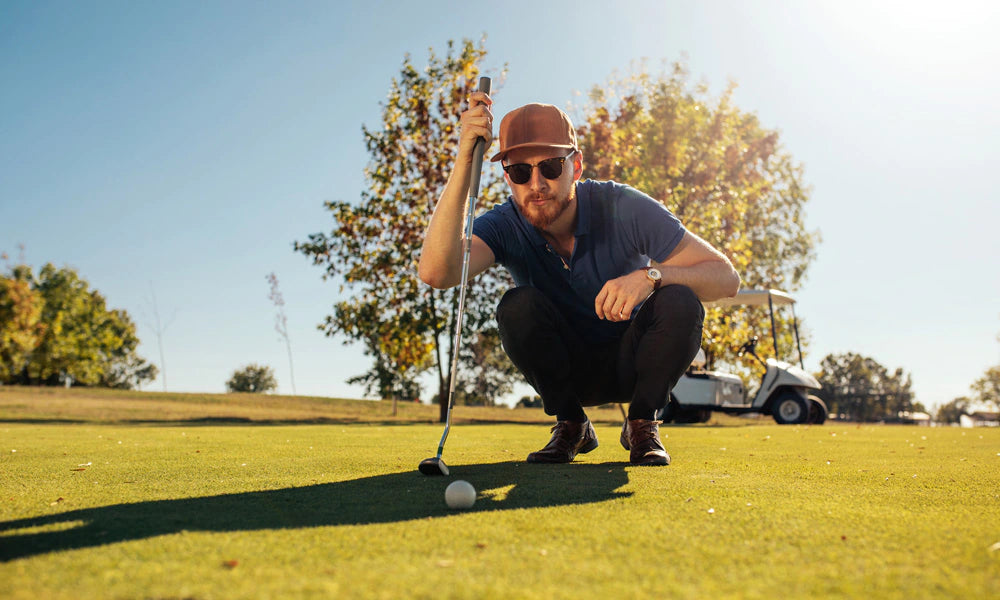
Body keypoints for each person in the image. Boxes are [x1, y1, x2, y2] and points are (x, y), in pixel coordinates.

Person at [419, 92, 740, 466]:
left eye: (551, 166)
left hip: (635, 365)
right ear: (507, 176)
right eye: (520, 171)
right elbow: (437, 272)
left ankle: (642, 424)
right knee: (516, 306)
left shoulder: (623, 205)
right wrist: (463, 160)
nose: (536, 184)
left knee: (679, 298)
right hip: (567, 372)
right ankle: (571, 424)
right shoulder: (506, 223)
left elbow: (726, 278)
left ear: (576, 166)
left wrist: (650, 276)